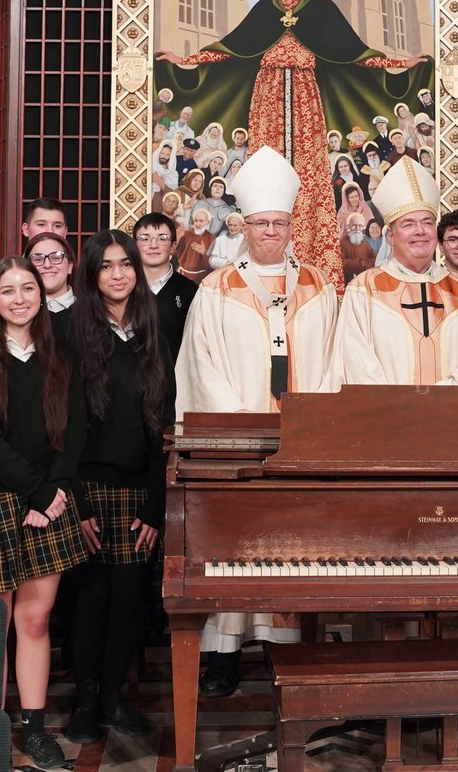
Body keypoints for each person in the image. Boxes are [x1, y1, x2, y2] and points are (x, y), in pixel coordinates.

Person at [155, 0, 432, 286]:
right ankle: (265, 264)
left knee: (308, 179)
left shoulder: (321, 8)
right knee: (268, 174)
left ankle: (313, 268)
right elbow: (230, 49)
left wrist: (397, 65)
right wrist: (186, 59)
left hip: (305, 97)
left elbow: (354, 54)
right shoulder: (266, 8)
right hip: (267, 97)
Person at [177, 146, 340, 695]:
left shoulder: (318, 286)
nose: (270, 231)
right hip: (239, 442)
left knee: (290, 545)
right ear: (243, 225)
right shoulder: (215, 288)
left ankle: (280, 652)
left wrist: (310, 423)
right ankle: (222, 655)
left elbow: (333, 361)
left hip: (301, 442)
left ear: (293, 225)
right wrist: (241, 427)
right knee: (234, 544)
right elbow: (202, 364)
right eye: (261, 222)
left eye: (279, 222)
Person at [0, 257, 85, 769]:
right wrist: (34, 490)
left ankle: (34, 728)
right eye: (7, 290)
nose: (18, 298)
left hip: (48, 503)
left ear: (41, 294)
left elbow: (73, 433)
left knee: (35, 618)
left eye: (27, 288)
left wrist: (51, 492)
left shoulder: (62, 357)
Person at [64, 231, 174, 738]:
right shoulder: (71, 330)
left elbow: (162, 424)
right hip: (86, 489)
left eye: (125, 264)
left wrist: (155, 504)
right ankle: (85, 703)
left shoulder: (152, 328)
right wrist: (78, 502)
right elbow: (61, 426)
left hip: (137, 490)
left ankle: (114, 700)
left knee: (129, 601)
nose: (117, 274)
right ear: (91, 274)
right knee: (90, 601)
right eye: (106, 265)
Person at [336, 158, 458, 386]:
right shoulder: (363, 292)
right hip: (387, 418)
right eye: (408, 224)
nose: (420, 231)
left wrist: (438, 400)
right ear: (390, 235)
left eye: (427, 222)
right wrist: (403, 408)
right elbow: (355, 363)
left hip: (453, 418)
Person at [133, 212, 197, 354]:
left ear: (173, 246)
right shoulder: (124, 288)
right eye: (145, 239)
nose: (153, 245)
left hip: (176, 373)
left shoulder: (190, 291)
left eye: (162, 238)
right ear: (134, 245)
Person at [26, 232, 78, 344]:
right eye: (38, 259)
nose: (47, 265)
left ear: (70, 266)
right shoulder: (21, 313)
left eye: (56, 257)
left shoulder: (92, 310)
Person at [339, 212, 375, 283]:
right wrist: (361, 264)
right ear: (348, 226)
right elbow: (341, 263)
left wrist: (364, 264)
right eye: (354, 225)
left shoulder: (365, 244)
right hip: (348, 283)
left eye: (360, 226)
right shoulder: (341, 243)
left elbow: (375, 259)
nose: (357, 228)